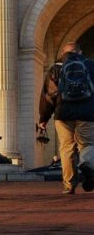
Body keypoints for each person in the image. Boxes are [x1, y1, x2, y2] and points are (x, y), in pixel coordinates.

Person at [39, 41, 94, 195]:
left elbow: (49, 96)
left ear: (63, 54)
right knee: (88, 144)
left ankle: (69, 185)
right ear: (80, 52)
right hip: (87, 113)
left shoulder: (56, 68)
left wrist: (43, 118)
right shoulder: (91, 65)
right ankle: (87, 164)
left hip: (63, 114)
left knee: (66, 148)